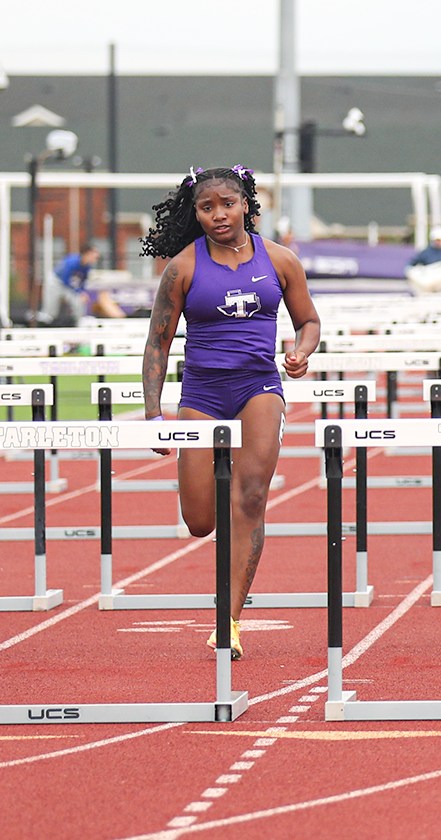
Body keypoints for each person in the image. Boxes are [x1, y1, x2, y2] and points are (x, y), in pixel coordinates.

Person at [141, 165, 320, 660]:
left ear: (246, 204)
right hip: (201, 393)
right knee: (199, 520)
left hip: (259, 387)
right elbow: (157, 343)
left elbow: (308, 320)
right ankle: (227, 558)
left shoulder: (280, 260)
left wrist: (301, 351)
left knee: (251, 496)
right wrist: (155, 413)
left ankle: (230, 619)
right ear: (195, 213)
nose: (219, 214)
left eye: (228, 203)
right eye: (207, 207)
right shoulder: (182, 268)